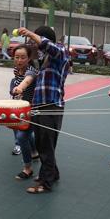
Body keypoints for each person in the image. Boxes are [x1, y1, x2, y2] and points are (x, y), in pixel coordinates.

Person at [17, 26, 69, 194]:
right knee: (42, 144)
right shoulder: (42, 59)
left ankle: (45, 183)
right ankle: (53, 173)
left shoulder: (60, 52)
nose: (32, 43)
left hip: (51, 105)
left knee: (46, 145)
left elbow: (48, 45)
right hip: (39, 106)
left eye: (34, 39)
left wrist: (30, 33)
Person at [10, 45, 38, 179]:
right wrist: (14, 91)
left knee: (21, 136)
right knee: (24, 133)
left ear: (29, 58)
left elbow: (27, 81)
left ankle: (27, 168)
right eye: (17, 57)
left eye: (23, 57)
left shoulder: (31, 71)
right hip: (20, 109)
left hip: (32, 110)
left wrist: (20, 88)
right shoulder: (16, 70)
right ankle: (34, 152)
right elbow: (15, 84)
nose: (19, 60)